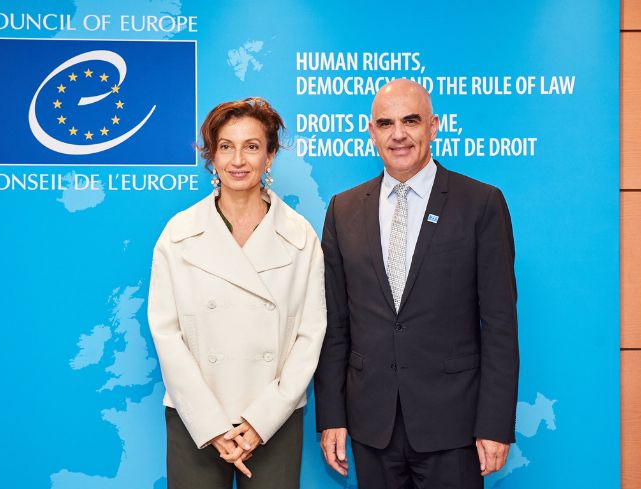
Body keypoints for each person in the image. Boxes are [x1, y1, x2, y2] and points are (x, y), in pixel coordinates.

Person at [315, 79, 519, 489]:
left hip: (453, 425)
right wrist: (332, 416)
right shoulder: (343, 209)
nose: (399, 134)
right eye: (386, 123)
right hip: (372, 424)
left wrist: (494, 423)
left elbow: (499, 324)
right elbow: (335, 325)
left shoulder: (481, 204)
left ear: (433, 126)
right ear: (371, 131)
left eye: (411, 121)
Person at [148, 97, 326, 489]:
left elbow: (310, 336)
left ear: (271, 155)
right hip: (195, 418)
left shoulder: (299, 237)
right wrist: (211, 424)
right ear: (211, 157)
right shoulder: (179, 235)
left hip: (272, 420)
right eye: (226, 146)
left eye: (252, 146)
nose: (238, 160)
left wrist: (261, 421)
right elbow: (166, 332)